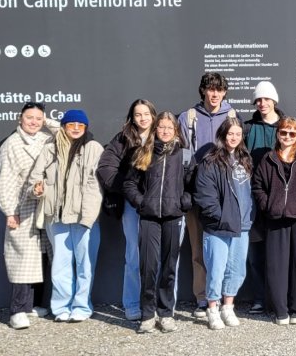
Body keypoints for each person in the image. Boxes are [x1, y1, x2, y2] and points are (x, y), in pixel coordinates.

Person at [124, 111, 194, 334]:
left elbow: (194, 187)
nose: (165, 131)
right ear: (155, 130)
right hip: (149, 218)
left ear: (176, 131)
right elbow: (129, 184)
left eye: (169, 128)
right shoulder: (143, 152)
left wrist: (183, 203)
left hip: (174, 218)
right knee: (148, 267)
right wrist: (141, 203)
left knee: (169, 268)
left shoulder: (184, 156)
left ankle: (165, 314)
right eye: (161, 127)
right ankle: (147, 315)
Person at [31, 109, 104, 323]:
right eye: (70, 124)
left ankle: (81, 306)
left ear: (86, 128)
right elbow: (36, 177)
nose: (75, 128)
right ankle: (61, 307)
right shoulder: (50, 148)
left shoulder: (94, 148)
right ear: (63, 126)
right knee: (60, 265)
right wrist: (36, 188)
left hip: (85, 217)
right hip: (57, 216)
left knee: (85, 265)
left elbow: (96, 186)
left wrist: (89, 217)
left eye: (79, 125)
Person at [179, 73, 239, 319]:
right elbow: (183, 155)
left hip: (227, 194)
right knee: (198, 248)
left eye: (219, 90)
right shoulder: (188, 118)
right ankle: (203, 298)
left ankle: (225, 298)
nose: (214, 94)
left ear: (224, 92)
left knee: (225, 249)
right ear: (203, 91)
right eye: (210, 89)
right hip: (198, 193)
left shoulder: (233, 117)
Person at [0, 101, 58, 330]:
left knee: (42, 256)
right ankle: (17, 310)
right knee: (22, 259)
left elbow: (66, 131)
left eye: (38, 118)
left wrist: (46, 120)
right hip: (23, 206)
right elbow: (7, 180)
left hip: (45, 204)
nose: (34, 122)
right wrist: (9, 210)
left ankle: (33, 305)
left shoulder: (44, 138)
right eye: (29, 117)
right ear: (19, 118)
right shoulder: (11, 144)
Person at [96, 99, 156, 322]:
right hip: (132, 207)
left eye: (146, 113)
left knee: (156, 257)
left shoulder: (162, 134)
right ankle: (131, 303)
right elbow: (105, 168)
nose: (142, 118)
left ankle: (154, 303)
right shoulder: (123, 138)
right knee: (133, 254)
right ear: (132, 117)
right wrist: (130, 189)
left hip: (157, 206)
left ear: (153, 115)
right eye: (138, 114)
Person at [193, 119, 254, 330]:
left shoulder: (245, 159)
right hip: (218, 226)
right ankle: (212, 308)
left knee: (236, 270)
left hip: (242, 225)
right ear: (222, 135)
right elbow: (204, 194)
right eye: (230, 134)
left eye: (238, 134)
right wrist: (219, 217)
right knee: (216, 269)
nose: (234, 137)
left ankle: (228, 306)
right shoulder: (210, 161)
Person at [253, 117, 296, 325]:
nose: (287, 137)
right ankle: (280, 310)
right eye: (283, 132)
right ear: (278, 134)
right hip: (275, 217)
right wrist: (268, 204)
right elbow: (257, 186)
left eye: (292, 133)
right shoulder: (268, 158)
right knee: (276, 266)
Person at [243, 80, 282, 315]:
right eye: (258, 100)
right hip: (253, 198)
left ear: (274, 100)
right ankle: (259, 297)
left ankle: (277, 297)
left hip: (279, 198)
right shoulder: (247, 128)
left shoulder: (286, 126)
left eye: (266, 99)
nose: (262, 103)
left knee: (278, 252)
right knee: (255, 252)